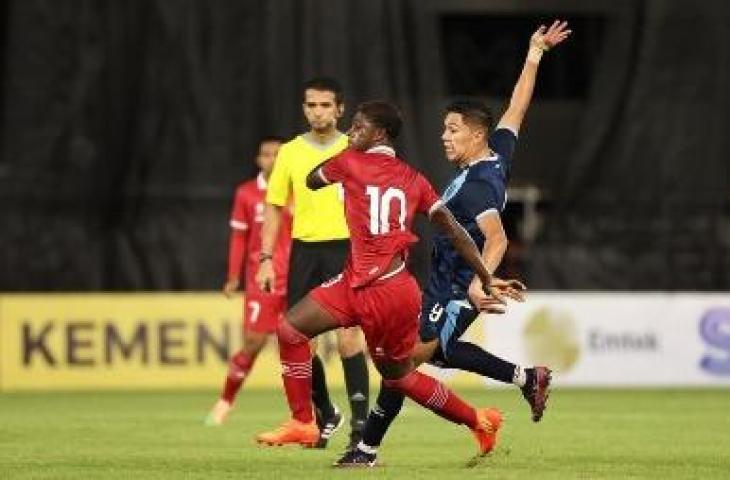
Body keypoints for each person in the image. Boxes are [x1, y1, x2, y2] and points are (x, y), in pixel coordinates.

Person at [335, 20, 571, 467]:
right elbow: (517, 110)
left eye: (452, 129)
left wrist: (481, 284)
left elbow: (498, 237)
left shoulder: (478, 186)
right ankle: (526, 378)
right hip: (442, 283)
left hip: (454, 290)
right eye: (445, 129)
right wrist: (534, 54)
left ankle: (365, 450)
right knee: (433, 359)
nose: (444, 136)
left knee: (400, 367)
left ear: (475, 135)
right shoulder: (496, 154)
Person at [255, 100, 520, 460]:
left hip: (385, 293)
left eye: (358, 127)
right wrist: (486, 275)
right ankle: (304, 421)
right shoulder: (414, 178)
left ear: (379, 133)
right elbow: (456, 232)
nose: (350, 132)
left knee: (399, 378)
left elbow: (311, 179)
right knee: (290, 329)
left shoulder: (348, 161)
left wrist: (348, 150)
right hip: (358, 283)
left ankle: (478, 419)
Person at [256, 77, 369, 449]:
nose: (317, 111)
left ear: (340, 109)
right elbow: (273, 208)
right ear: (304, 108)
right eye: (311, 105)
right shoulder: (289, 152)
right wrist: (267, 259)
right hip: (305, 251)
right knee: (296, 336)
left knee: (349, 336)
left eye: (325, 105)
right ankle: (324, 413)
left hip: (346, 248)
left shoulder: (356, 148)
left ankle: (359, 431)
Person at [205, 136, 289, 426]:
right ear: (259, 160)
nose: (273, 160)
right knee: (253, 342)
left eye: (278, 154)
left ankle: (308, 412)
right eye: (267, 154)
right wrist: (232, 275)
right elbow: (239, 237)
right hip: (261, 279)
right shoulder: (247, 193)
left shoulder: (297, 191)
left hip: (295, 277)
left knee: (299, 345)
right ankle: (225, 401)